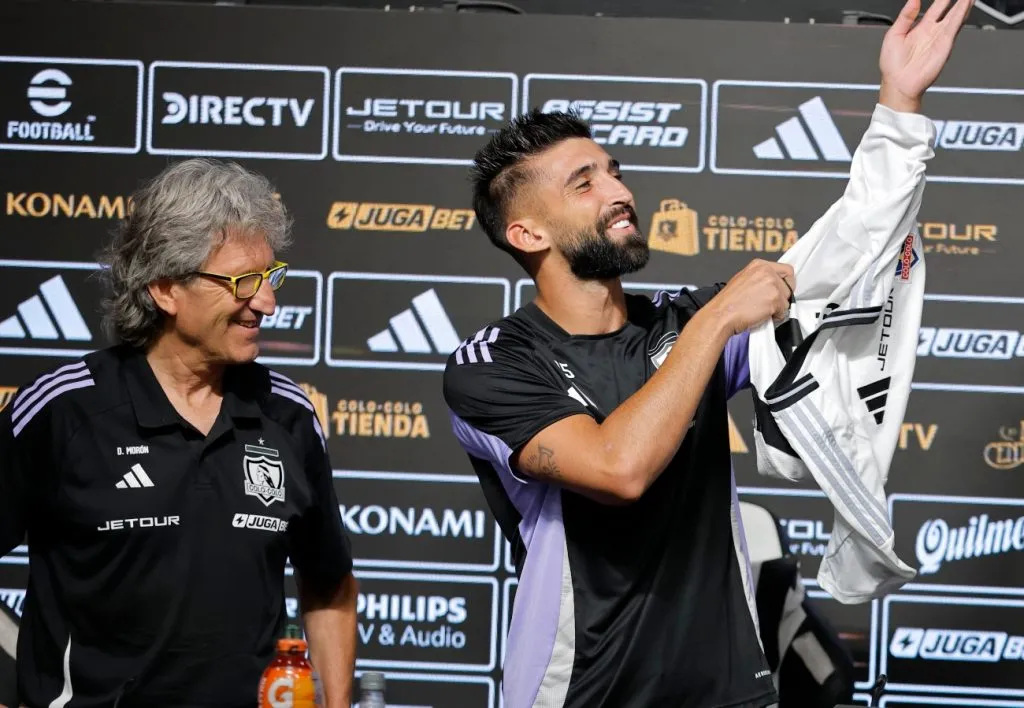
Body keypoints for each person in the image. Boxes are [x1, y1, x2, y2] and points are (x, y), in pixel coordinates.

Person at [442, 0, 972, 705]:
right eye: (585, 183)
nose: (620, 191)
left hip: (729, 688)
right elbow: (616, 468)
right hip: (583, 691)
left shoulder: (685, 321)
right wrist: (717, 320)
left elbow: (847, 254)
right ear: (528, 235)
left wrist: (899, 108)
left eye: (614, 171)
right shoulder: (493, 366)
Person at [0, 159, 357, 707]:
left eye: (269, 277)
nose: (266, 302)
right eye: (242, 282)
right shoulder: (65, 409)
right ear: (165, 288)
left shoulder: (287, 414)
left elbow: (330, 586)